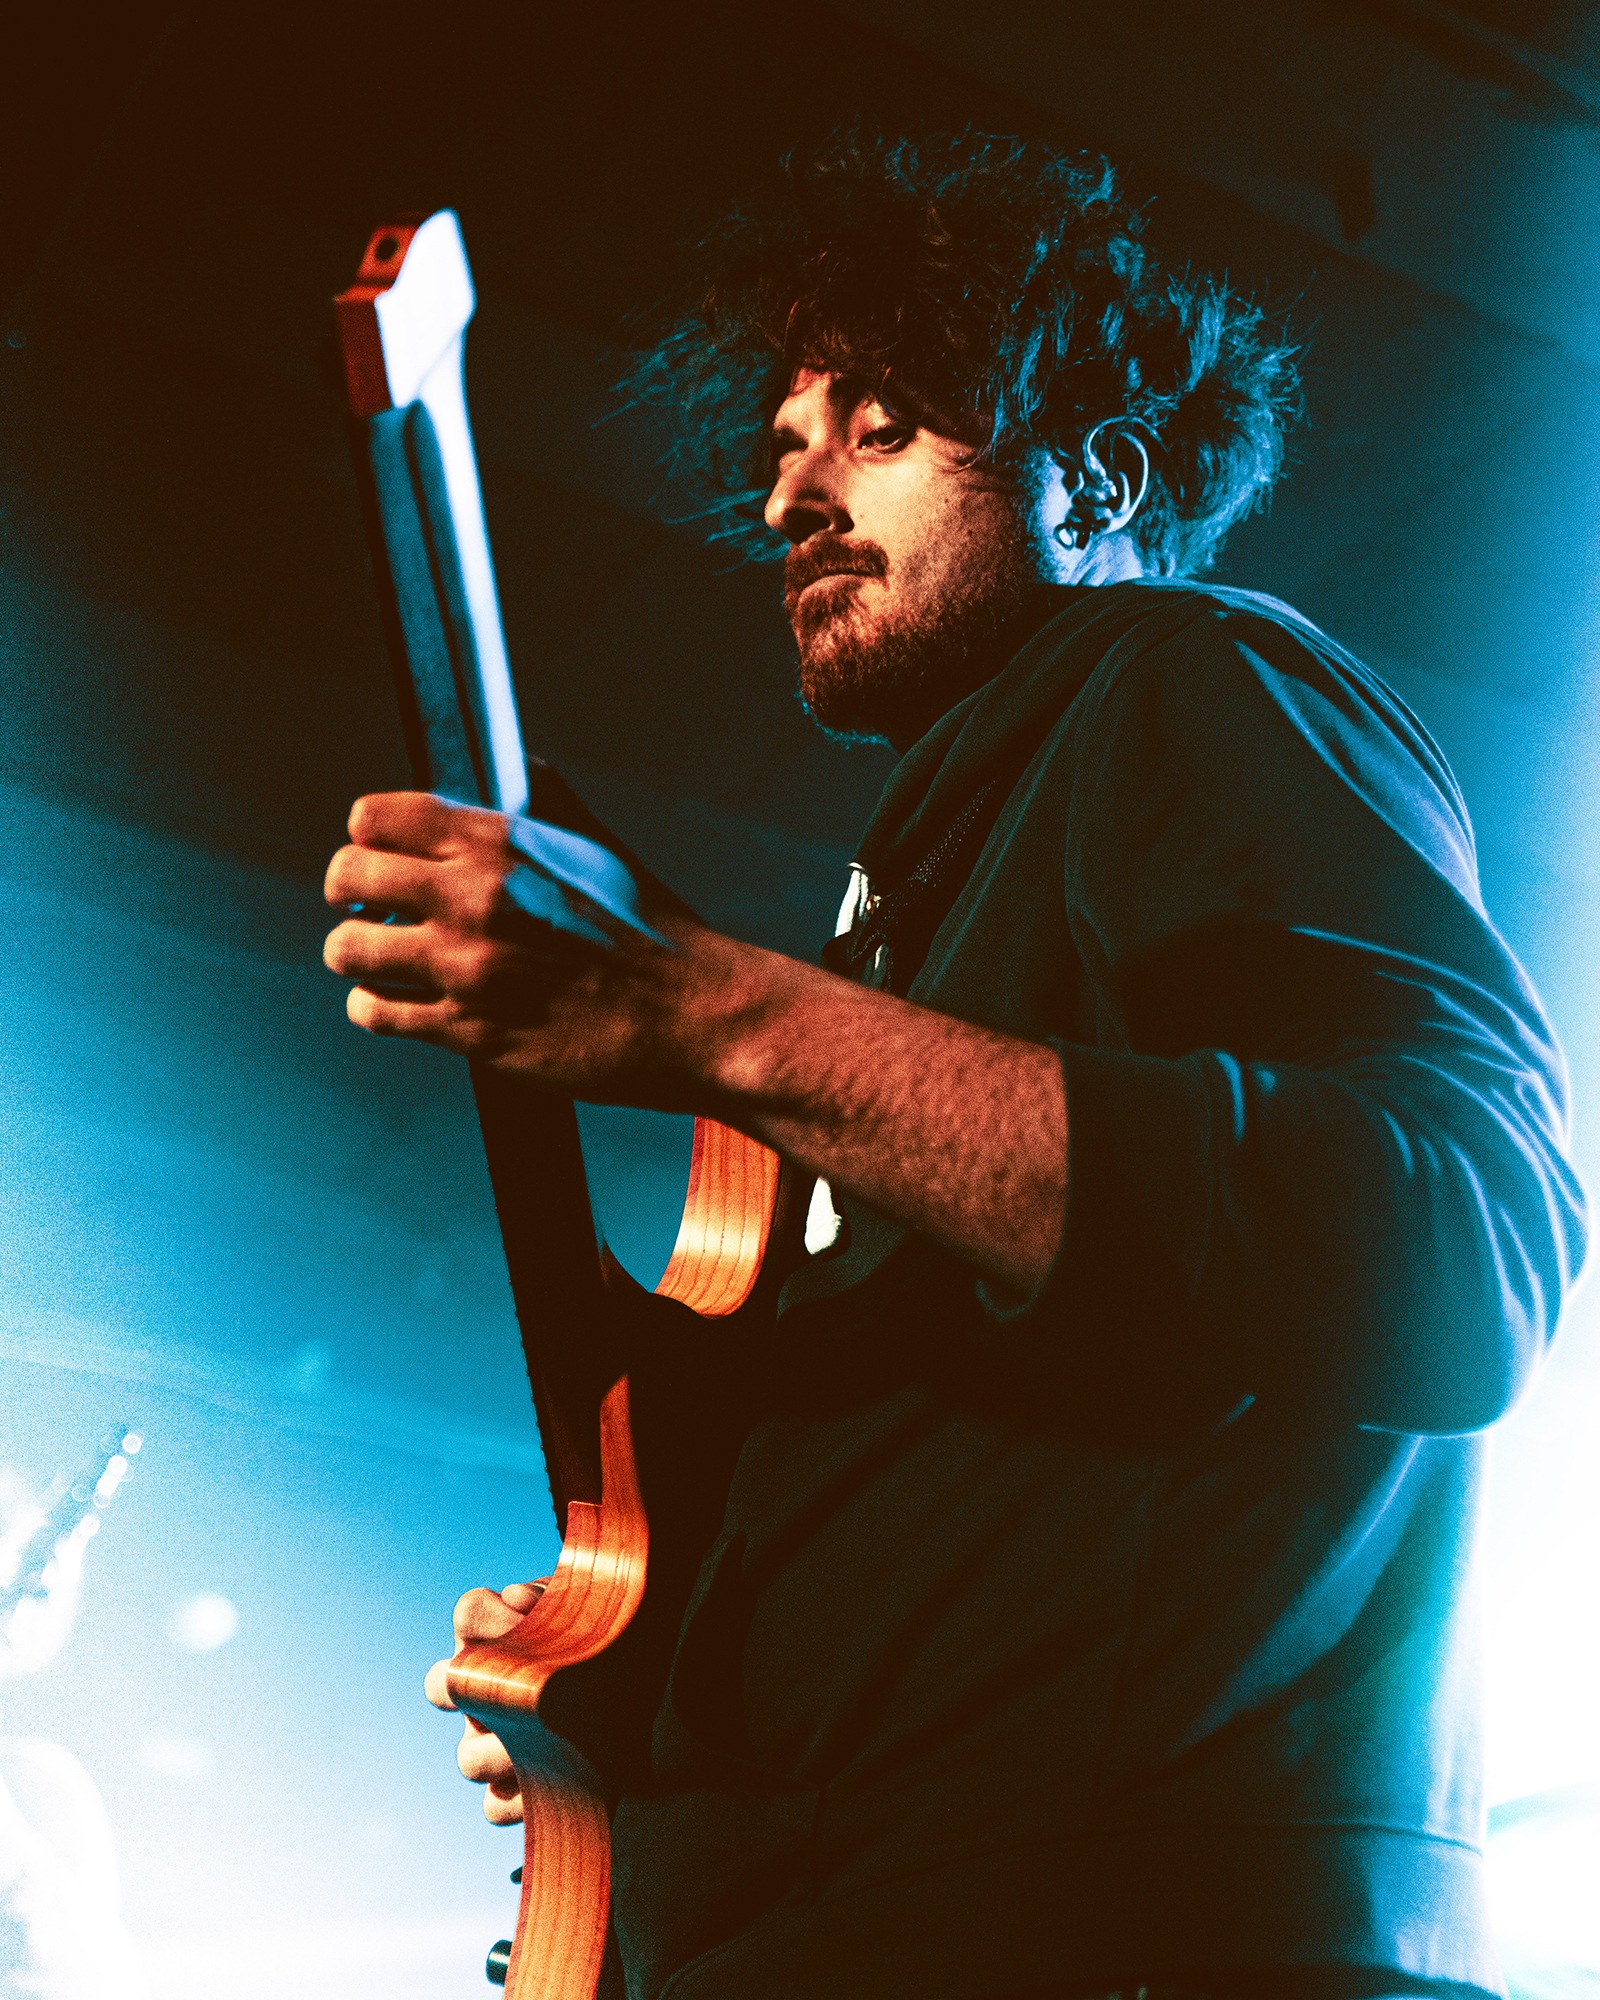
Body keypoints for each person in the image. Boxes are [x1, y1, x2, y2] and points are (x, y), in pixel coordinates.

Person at [323, 132, 1588, 2000]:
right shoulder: (913, 908)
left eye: (884, 426)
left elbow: (1468, 1241)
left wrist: (712, 1012)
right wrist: (657, 1685)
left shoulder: (1190, 675)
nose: (792, 492)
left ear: (1099, 479)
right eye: (784, 444)